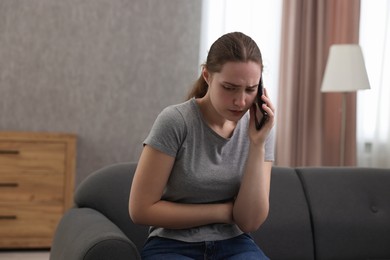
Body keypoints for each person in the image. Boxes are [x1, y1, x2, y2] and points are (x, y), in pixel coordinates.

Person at [129, 31, 275, 260]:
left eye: (250, 89)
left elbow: (250, 221)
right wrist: (224, 211)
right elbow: (140, 210)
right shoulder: (175, 121)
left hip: (235, 243)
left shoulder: (260, 129)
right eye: (229, 87)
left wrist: (257, 145)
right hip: (171, 244)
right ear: (207, 75)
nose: (241, 101)